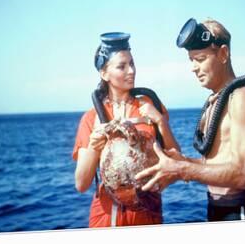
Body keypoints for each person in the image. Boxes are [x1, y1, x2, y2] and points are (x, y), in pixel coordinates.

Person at [136, 18, 245, 222]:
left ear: (223, 54)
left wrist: (182, 170)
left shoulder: (241, 97)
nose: (194, 68)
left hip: (238, 211)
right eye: (191, 60)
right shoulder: (216, 100)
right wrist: (181, 161)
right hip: (217, 207)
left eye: (201, 58)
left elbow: (242, 173)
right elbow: (217, 163)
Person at [72, 32, 180, 228]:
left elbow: (176, 161)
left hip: (146, 215)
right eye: (122, 66)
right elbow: (81, 184)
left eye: (132, 63)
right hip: (106, 217)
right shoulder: (92, 118)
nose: (131, 71)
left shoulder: (152, 107)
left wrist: (160, 122)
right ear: (104, 73)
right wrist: (95, 146)